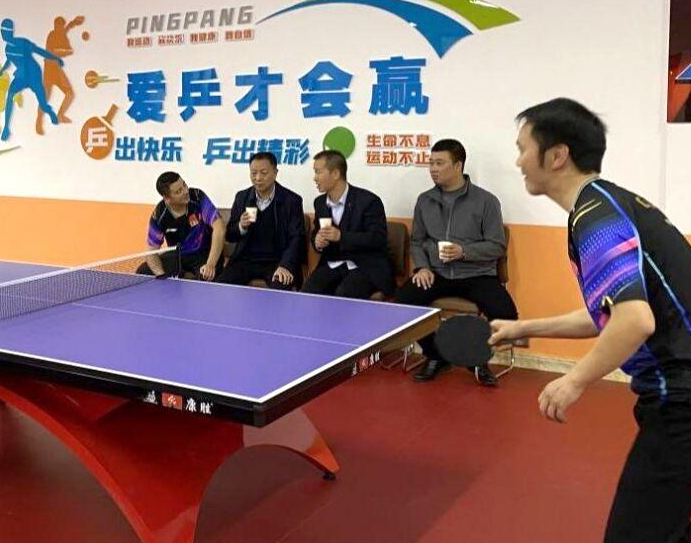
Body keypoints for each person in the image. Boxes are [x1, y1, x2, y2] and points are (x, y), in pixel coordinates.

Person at [490, 98, 691, 543]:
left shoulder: (595, 216)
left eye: (523, 149)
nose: (518, 161)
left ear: (556, 155)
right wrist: (526, 327)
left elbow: (635, 321)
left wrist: (574, 380)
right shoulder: (610, 204)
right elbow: (610, 313)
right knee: (664, 521)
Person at [395, 138, 518, 386]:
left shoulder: (486, 201)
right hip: (437, 273)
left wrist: (464, 252)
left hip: (477, 274)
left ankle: (478, 358)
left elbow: (496, 246)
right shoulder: (425, 200)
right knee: (404, 303)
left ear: (458, 165)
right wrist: (422, 267)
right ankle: (436, 355)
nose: (433, 169)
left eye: (439, 163)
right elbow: (418, 240)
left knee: (506, 314)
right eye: (431, 163)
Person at [301, 149, 394, 299]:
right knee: (308, 291)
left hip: (365, 266)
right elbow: (317, 232)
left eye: (318, 172)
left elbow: (377, 238)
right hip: (333, 264)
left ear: (335, 174)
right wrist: (317, 242)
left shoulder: (368, 201)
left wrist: (341, 236)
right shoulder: (320, 203)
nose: (315, 178)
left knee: (344, 294)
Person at [215, 152, 306, 290]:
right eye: (253, 173)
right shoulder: (242, 197)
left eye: (263, 173)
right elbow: (230, 235)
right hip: (245, 260)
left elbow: (297, 238)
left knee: (281, 288)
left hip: (277, 261)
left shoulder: (291, 200)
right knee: (220, 287)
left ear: (275, 173)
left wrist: (285, 265)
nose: (258, 178)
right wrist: (241, 226)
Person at [139, 171, 225, 280]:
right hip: (178, 257)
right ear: (167, 198)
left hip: (204, 254)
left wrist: (211, 264)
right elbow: (151, 251)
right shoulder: (159, 215)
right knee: (143, 271)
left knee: (205, 277)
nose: (185, 191)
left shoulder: (197, 197)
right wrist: (161, 275)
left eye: (184, 185)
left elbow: (219, 228)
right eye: (179, 191)